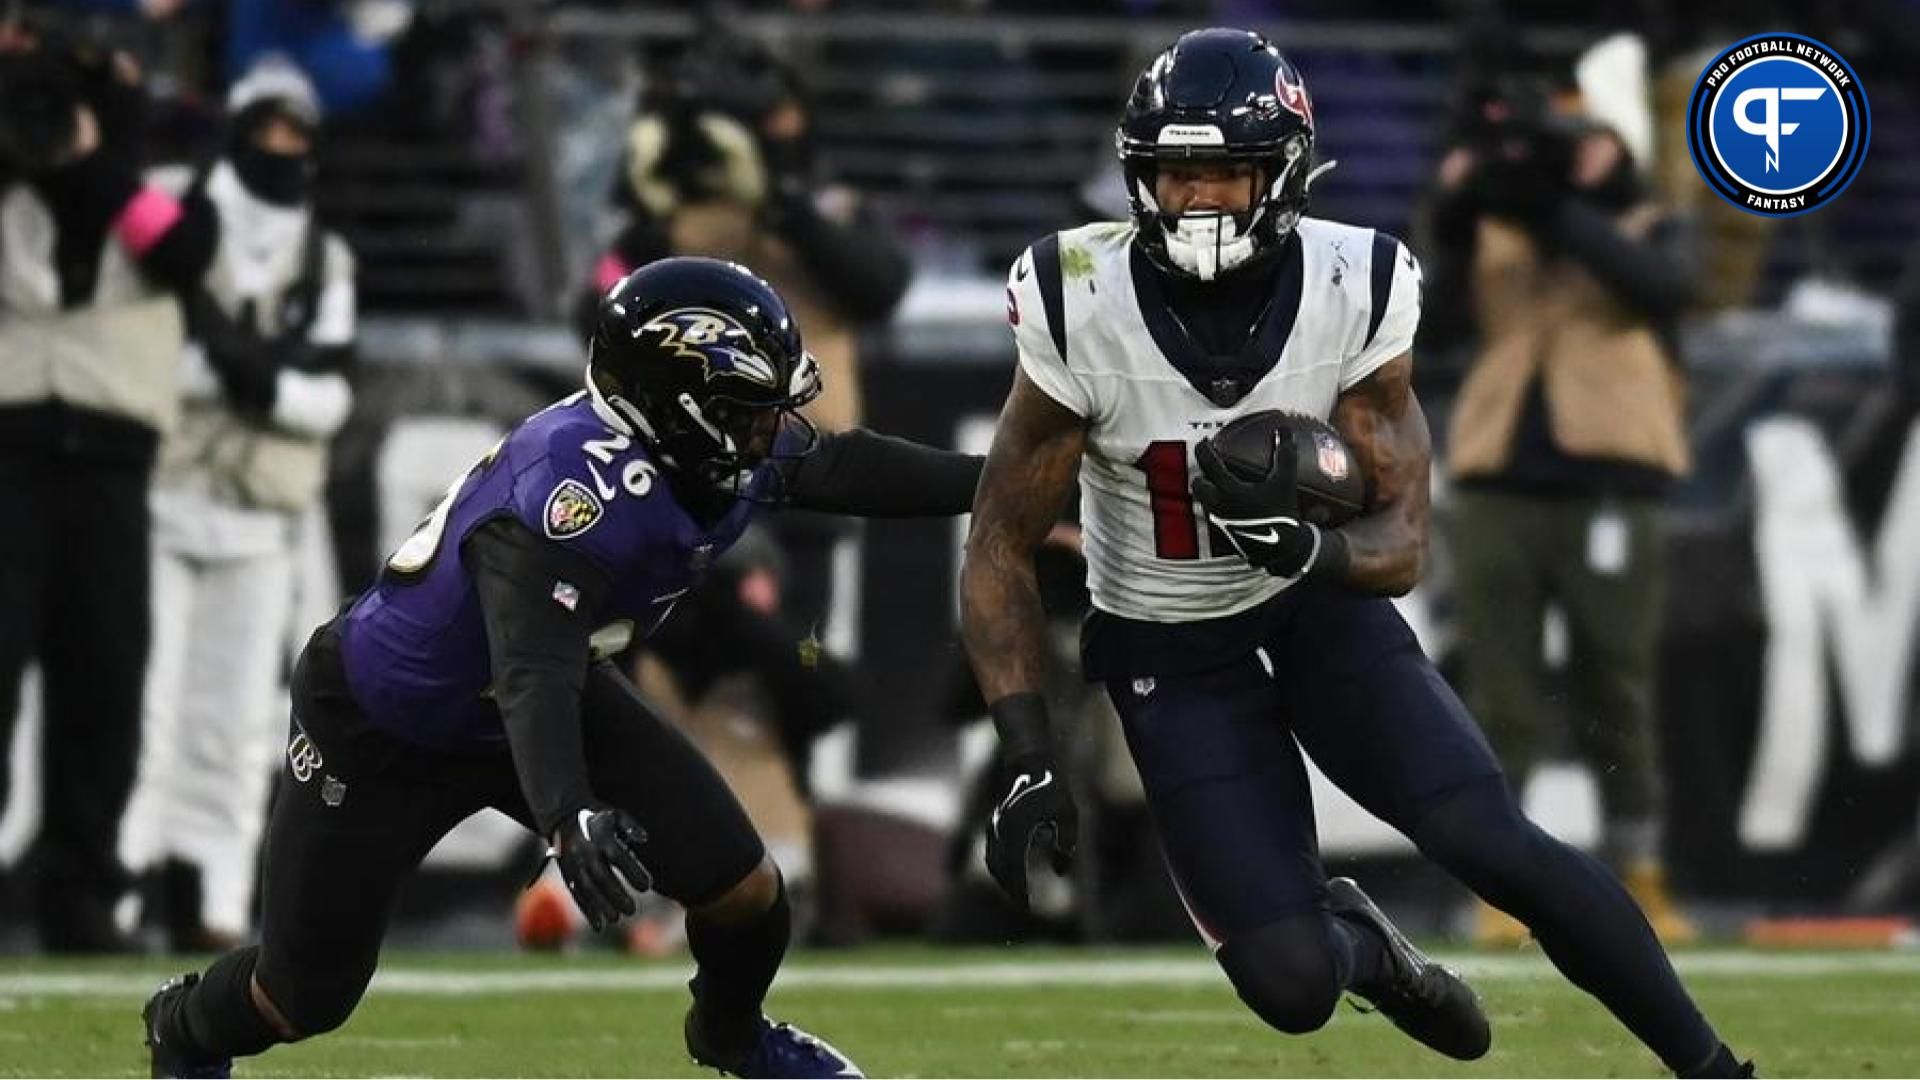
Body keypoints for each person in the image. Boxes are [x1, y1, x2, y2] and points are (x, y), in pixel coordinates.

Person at [959, 28, 1751, 1078]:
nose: (1197, 201)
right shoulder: (1077, 296)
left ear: (1282, 171)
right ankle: (1367, 950)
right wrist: (1026, 751)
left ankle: (1712, 1069)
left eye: (1225, 173)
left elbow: (1401, 541)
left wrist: (1312, 556)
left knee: (1490, 841)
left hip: (1317, 612)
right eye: (1175, 173)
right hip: (1166, 641)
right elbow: (1001, 541)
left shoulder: (1355, 279)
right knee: (1291, 987)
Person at [140, 256, 982, 1079]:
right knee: (301, 995)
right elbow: (530, 669)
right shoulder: (567, 498)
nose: (770, 430)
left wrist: (1008, 482)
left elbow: (842, 465)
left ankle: (732, 1039)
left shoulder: (698, 448)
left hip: (539, 693)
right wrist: (566, 813)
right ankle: (181, 1030)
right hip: (386, 723)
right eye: (748, 409)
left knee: (744, 890)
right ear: (675, 407)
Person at [1423, 69, 1700, 947]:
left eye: (1590, 137)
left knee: (1616, 684)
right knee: (1499, 692)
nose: (1571, 154)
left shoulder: (1654, 221)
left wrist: (1551, 209)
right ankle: (1501, 882)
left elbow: (1664, 288)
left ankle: (1640, 875)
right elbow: (1432, 323)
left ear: (1623, 144)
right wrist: (1460, 207)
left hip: (1612, 484)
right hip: (1499, 480)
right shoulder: (1500, 223)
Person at [117, 59, 357, 953]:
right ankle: (122, 890)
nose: (283, 152)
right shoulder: (183, 210)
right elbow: (137, 344)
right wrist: (231, 372)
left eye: (299, 136)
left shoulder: (324, 254)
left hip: (261, 508)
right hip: (166, 491)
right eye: (268, 132)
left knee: (233, 716)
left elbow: (331, 396)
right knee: (147, 705)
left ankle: (212, 895)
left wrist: (260, 385)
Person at [0, 15, 217, 952]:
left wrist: (91, 155)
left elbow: (182, 256)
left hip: (115, 457)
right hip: (9, 443)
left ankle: (82, 890)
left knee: (104, 677)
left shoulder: (163, 174)